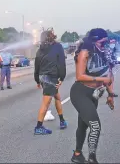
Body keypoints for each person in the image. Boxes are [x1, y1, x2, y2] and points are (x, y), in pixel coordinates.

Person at [70, 28, 114, 163]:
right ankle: (92, 158)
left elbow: (109, 76)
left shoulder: (105, 53)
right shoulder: (84, 53)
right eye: (102, 42)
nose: (105, 45)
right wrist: (101, 80)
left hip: (94, 95)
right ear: (94, 41)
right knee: (95, 125)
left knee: (83, 125)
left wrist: (110, 94)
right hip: (80, 92)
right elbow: (79, 76)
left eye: (106, 42)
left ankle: (77, 154)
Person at [34, 28, 67, 135]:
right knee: (46, 102)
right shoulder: (57, 47)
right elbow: (61, 63)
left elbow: (36, 66)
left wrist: (37, 81)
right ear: (51, 36)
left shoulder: (40, 50)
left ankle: (62, 120)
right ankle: (38, 127)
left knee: (57, 97)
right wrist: (62, 78)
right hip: (51, 77)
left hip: (43, 77)